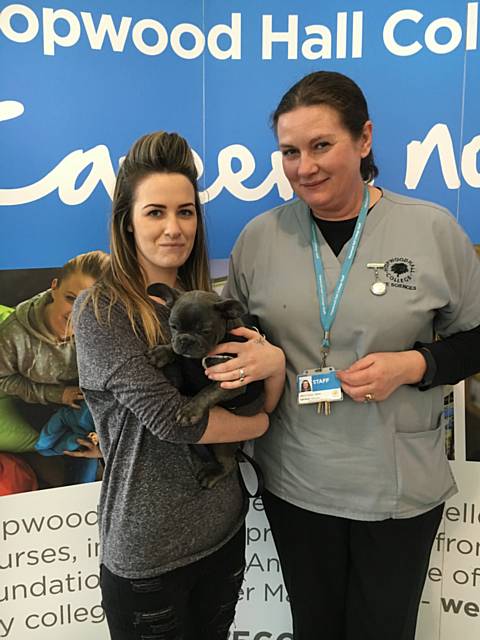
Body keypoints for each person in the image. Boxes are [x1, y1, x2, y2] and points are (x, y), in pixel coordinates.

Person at [204, 71, 480, 640]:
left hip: (396, 486)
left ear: (365, 139)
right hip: (296, 480)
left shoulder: (431, 229)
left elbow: (475, 337)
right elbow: (233, 340)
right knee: (316, 626)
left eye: (321, 145)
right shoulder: (260, 238)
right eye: (289, 151)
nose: (305, 167)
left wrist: (414, 366)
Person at [72, 131, 285, 640]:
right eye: (156, 212)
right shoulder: (103, 311)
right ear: (127, 220)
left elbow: (262, 395)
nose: (174, 228)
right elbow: (173, 422)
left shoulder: (207, 305)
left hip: (223, 528)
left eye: (186, 212)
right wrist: (256, 423)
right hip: (148, 552)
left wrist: (273, 365)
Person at [0, 251, 109, 486]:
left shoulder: (105, 325)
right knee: (77, 453)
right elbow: (3, 380)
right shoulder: (13, 336)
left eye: (89, 305)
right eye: (71, 298)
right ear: (54, 287)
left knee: (96, 446)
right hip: (38, 402)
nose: (76, 314)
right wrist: (56, 395)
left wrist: (106, 442)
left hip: (91, 401)